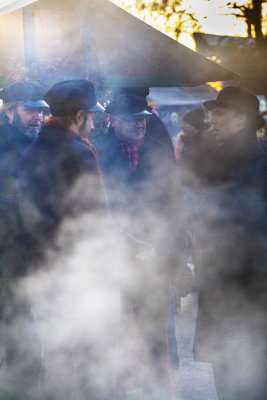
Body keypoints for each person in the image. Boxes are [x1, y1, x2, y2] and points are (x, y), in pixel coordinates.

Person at [17, 80, 119, 400]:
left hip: (41, 267)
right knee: (90, 352)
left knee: (57, 349)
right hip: (78, 270)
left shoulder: (32, 149)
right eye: (90, 117)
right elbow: (95, 217)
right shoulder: (78, 151)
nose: (93, 123)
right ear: (78, 116)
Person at [93, 93, 185, 399]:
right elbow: (95, 204)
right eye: (134, 120)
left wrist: (173, 254)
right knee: (113, 334)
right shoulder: (97, 152)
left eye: (144, 119)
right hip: (113, 256)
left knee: (155, 333)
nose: (141, 125)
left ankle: (160, 391)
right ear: (113, 121)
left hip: (154, 255)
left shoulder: (160, 151)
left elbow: (173, 203)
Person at [193, 86, 267, 400]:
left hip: (244, 287)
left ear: (240, 119)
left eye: (219, 113)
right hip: (225, 281)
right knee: (229, 372)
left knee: (246, 375)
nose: (211, 121)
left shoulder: (255, 160)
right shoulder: (221, 155)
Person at [0, 81, 49, 400]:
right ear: (9, 110)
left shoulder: (35, 142)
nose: (38, 117)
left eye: (41, 111)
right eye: (30, 110)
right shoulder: (8, 144)